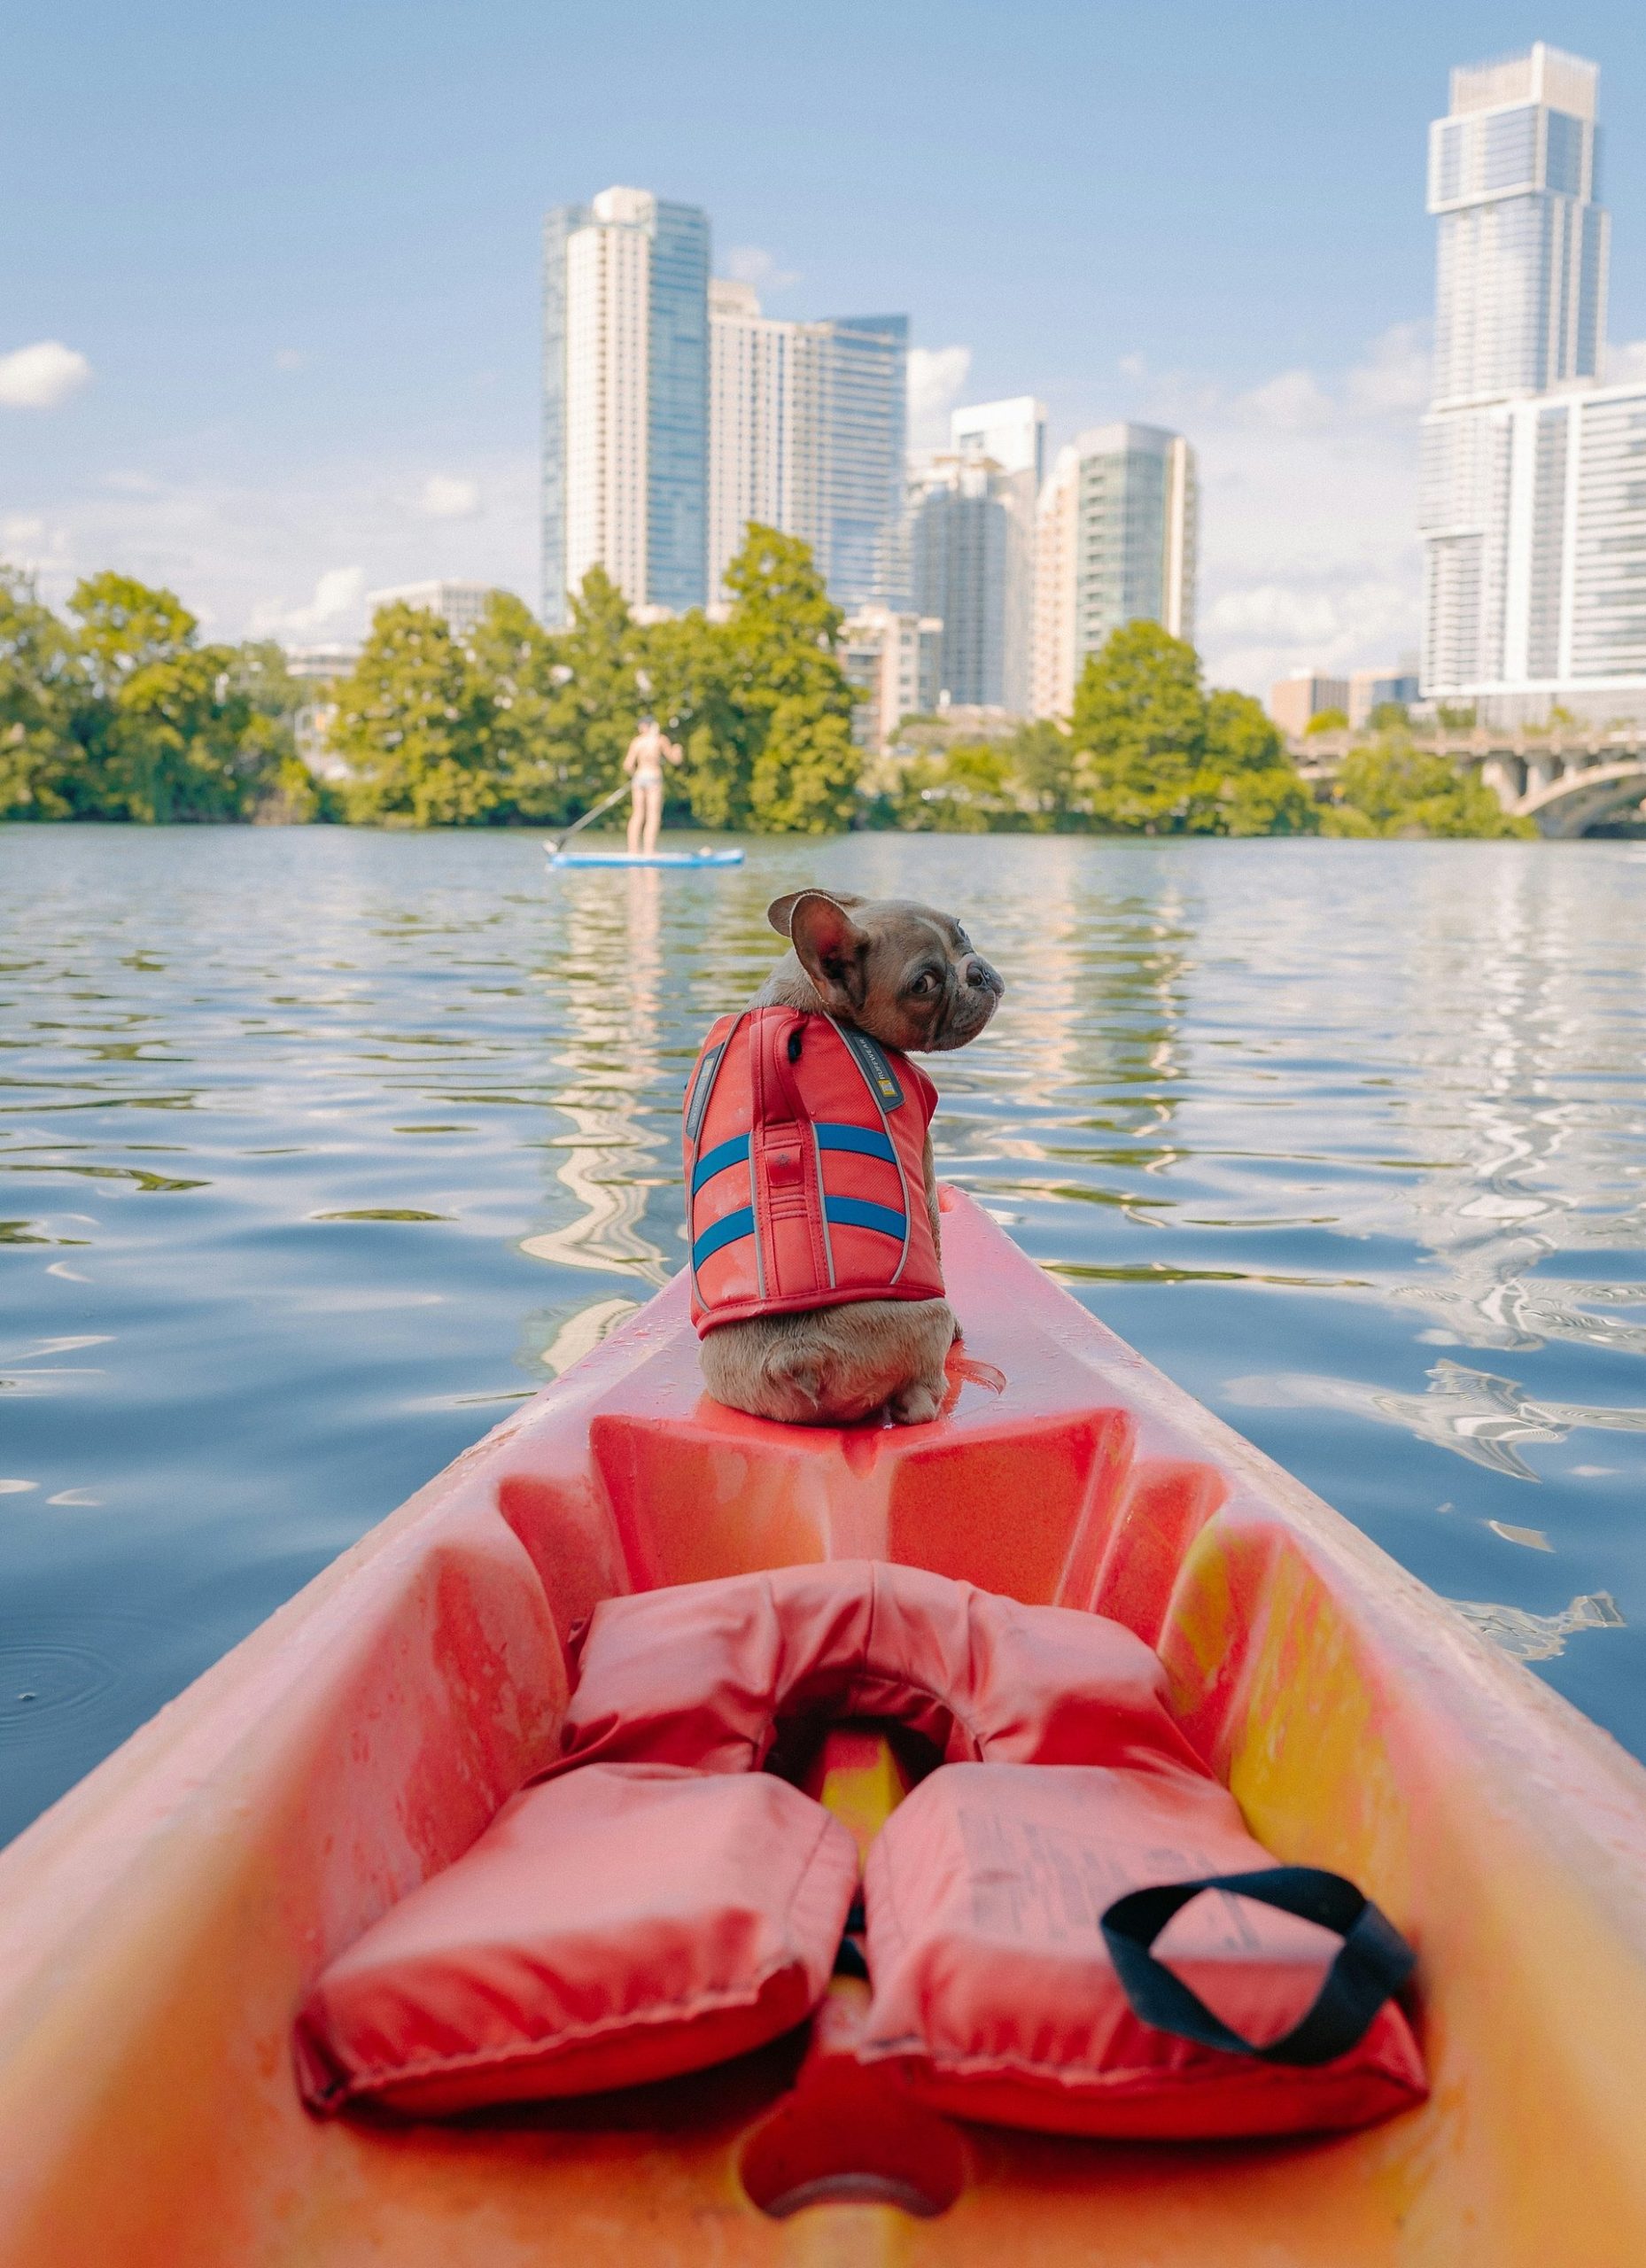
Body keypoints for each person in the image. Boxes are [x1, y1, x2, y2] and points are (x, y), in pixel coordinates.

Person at [623, 717, 683, 854]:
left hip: (639, 778)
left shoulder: (637, 742)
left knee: (637, 814)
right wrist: (677, 749)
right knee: (653, 815)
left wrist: (635, 775)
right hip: (653, 777)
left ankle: (632, 850)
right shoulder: (660, 739)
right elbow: (675, 759)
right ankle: (649, 851)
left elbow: (627, 765)